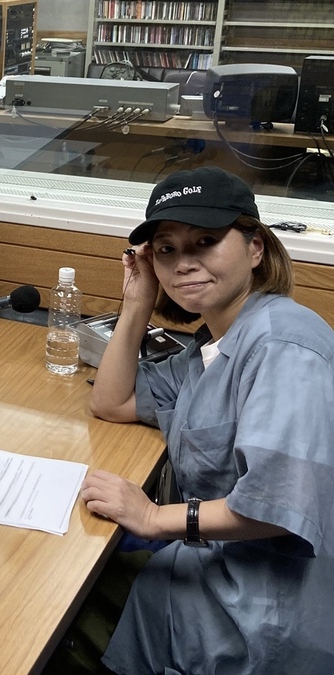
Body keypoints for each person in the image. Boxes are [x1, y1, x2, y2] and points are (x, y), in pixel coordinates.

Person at [83, 166, 334, 673]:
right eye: (166, 249)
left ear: (256, 248)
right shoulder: (214, 346)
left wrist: (153, 518)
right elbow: (111, 401)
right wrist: (137, 303)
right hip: (212, 572)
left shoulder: (283, 348)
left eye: (206, 241)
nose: (184, 263)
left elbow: (277, 505)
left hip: (259, 620)